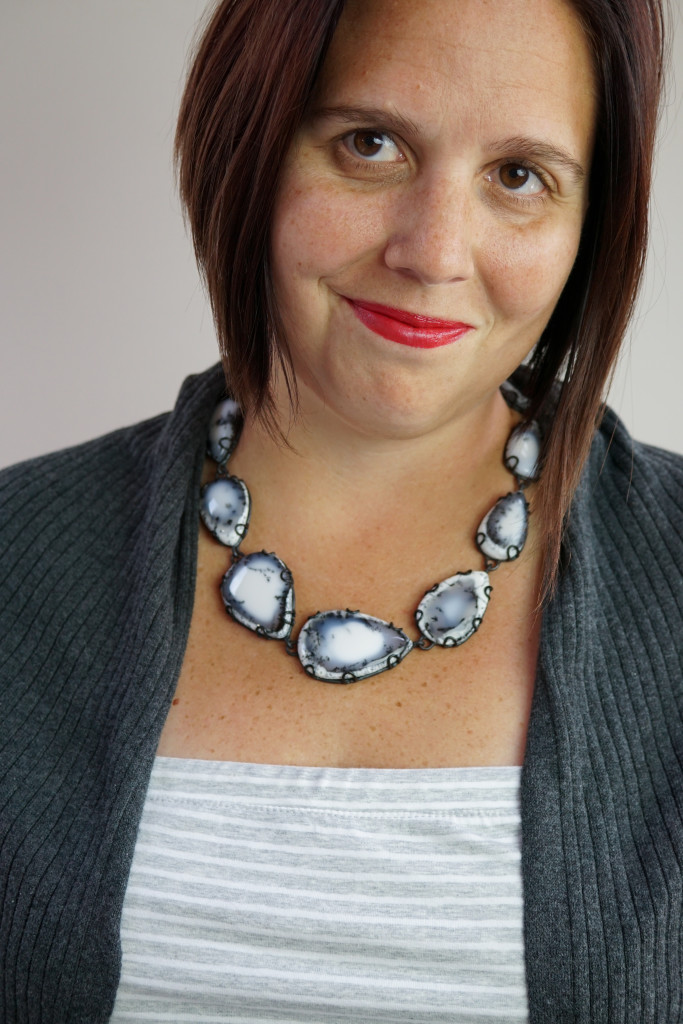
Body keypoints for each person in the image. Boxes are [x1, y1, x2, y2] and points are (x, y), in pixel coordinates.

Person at [1, 0, 680, 1020]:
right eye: (369, 144)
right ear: (250, 143)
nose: (435, 251)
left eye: (517, 175)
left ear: (591, 223)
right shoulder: (16, 560)